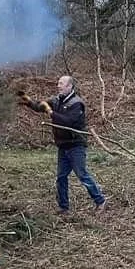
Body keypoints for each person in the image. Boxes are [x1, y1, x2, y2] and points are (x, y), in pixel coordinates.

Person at [18, 75, 106, 213]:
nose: (58, 86)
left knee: (82, 175)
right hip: (63, 146)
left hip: (76, 145)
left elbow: (67, 122)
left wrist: (51, 112)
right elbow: (41, 106)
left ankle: (100, 201)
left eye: (62, 83)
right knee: (61, 177)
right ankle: (64, 207)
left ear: (70, 86)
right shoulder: (56, 100)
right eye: (58, 83)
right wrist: (28, 101)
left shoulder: (77, 104)